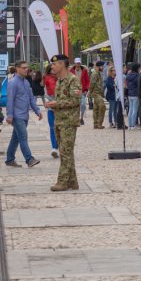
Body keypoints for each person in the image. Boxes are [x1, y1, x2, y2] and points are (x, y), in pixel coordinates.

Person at [45, 54, 81, 191]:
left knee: (65, 152)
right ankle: (72, 181)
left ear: (61, 64)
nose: (52, 66)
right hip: (59, 120)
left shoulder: (73, 80)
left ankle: (62, 182)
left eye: (54, 64)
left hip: (69, 122)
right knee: (65, 152)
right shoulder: (60, 80)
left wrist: (56, 103)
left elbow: (75, 100)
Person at [5, 61, 43, 168]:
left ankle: (9, 159)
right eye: (24, 68)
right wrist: (9, 115)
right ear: (17, 69)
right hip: (17, 116)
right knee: (23, 137)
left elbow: (31, 99)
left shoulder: (26, 82)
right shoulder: (12, 83)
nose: (27, 69)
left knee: (15, 138)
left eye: (27, 68)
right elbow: (10, 100)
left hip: (25, 115)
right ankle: (29, 159)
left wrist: (37, 111)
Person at [43, 64, 60, 158]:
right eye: (52, 69)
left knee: (61, 128)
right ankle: (54, 147)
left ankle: (61, 147)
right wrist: (49, 103)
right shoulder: (46, 80)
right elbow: (45, 94)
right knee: (52, 128)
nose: (54, 71)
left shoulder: (63, 79)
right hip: (51, 107)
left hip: (61, 107)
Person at [71, 58, 90, 126]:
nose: (78, 64)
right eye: (77, 63)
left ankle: (81, 118)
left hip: (82, 91)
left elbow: (88, 81)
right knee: (75, 105)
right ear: (75, 63)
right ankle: (76, 118)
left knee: (83, 104)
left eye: (79, 63)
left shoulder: (84, 71)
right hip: (74, 91)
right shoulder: (71, 71)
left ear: (80, 63)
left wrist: (87, 89)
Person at [89, 61, 107, 129]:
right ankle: (99, 123)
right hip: (96, 93)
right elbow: (92, 84)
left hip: (98, 93)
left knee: (96, 108)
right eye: (102, 66)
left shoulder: (98, 73)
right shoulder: (95, 74)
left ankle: (96, 124)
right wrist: (90, 92)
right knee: (103, 107)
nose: (103, 68)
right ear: (98, 66)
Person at [125, 64, 141, 130]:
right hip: (136, 94)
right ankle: (133, 125)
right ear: (137, 69)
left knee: (130, 110)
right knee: (135, 110)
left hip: (129, 94)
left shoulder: (128, 75)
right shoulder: (138, 76)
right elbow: (139, 85)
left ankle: (130, 125)